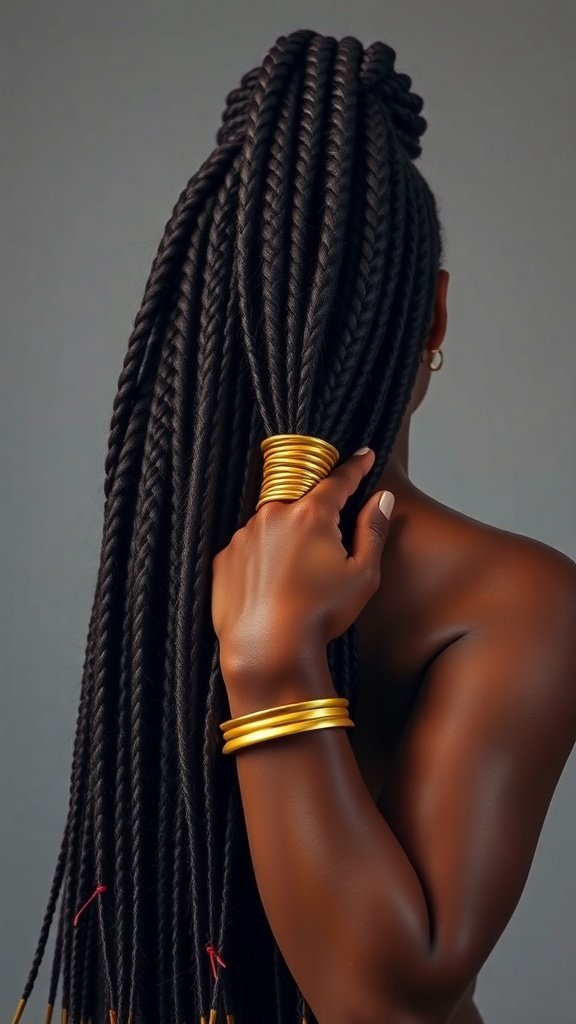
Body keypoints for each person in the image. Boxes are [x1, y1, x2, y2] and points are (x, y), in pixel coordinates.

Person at [11, 27, 576, 1024]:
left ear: (192, 320)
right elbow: (388, 1007)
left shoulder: (157, 565)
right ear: (434, 317)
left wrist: (272, 657)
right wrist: (272, 659)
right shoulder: (517, 599)